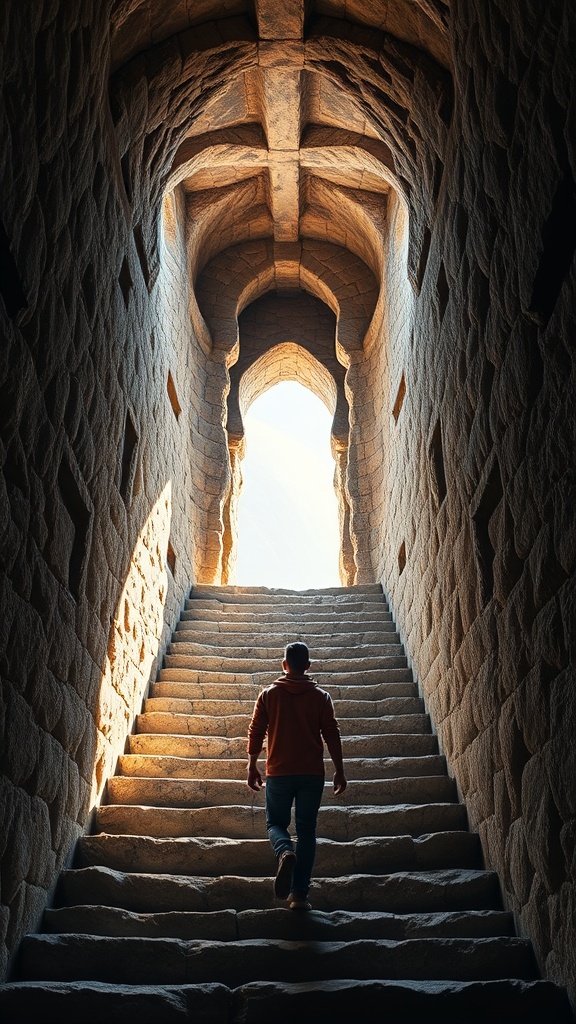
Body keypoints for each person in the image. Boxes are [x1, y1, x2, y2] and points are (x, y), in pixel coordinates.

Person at [246, 640, 347, 910]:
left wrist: (252, 764)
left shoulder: (268, 695)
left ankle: (284, 851)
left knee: (275, 825)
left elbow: (256, 730)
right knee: (307, 831)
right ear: (308, 666)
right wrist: (339, 769)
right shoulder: (321, 697)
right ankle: (299, 896)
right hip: (311, 774)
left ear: (284, 665)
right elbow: (331, 734)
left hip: (278, 772)